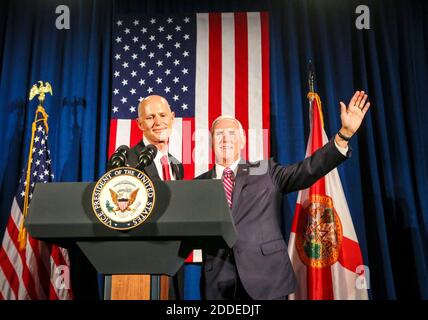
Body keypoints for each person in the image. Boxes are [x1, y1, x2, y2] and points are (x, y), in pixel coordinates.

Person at [197, 91, 371, 300]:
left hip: (266, 279)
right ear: (211, 141)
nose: (225, 139)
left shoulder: (266, 171)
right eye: (219, 134)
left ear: (242, 141)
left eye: (232, 133)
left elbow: (307, 170)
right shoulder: (199, 185)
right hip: (218, 283)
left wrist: (343, 136)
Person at [108, 95, 184, 299]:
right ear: (139, 124)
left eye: (163, 115)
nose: (158, 122)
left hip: (174, 261)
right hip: (139, 264)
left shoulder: (176, 165)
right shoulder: (127, 159)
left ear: (173, 118)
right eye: (150, 117)